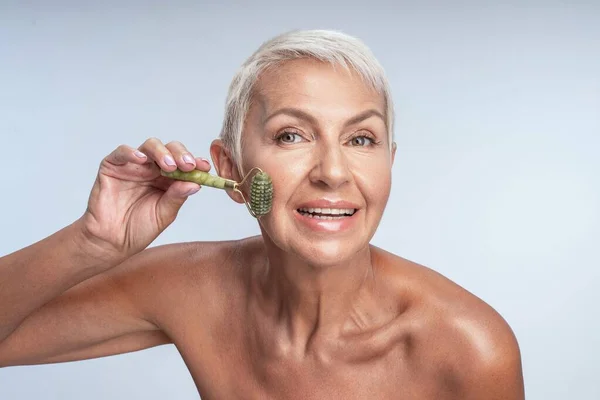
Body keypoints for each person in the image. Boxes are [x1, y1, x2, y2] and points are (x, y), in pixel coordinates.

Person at [0, 30, 524, 399]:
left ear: (389, 163)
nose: (334, 172)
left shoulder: (469, 347)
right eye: (291, 135)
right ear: (230, 167)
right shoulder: (187, 288)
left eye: (361, 139)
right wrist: (91, 243)